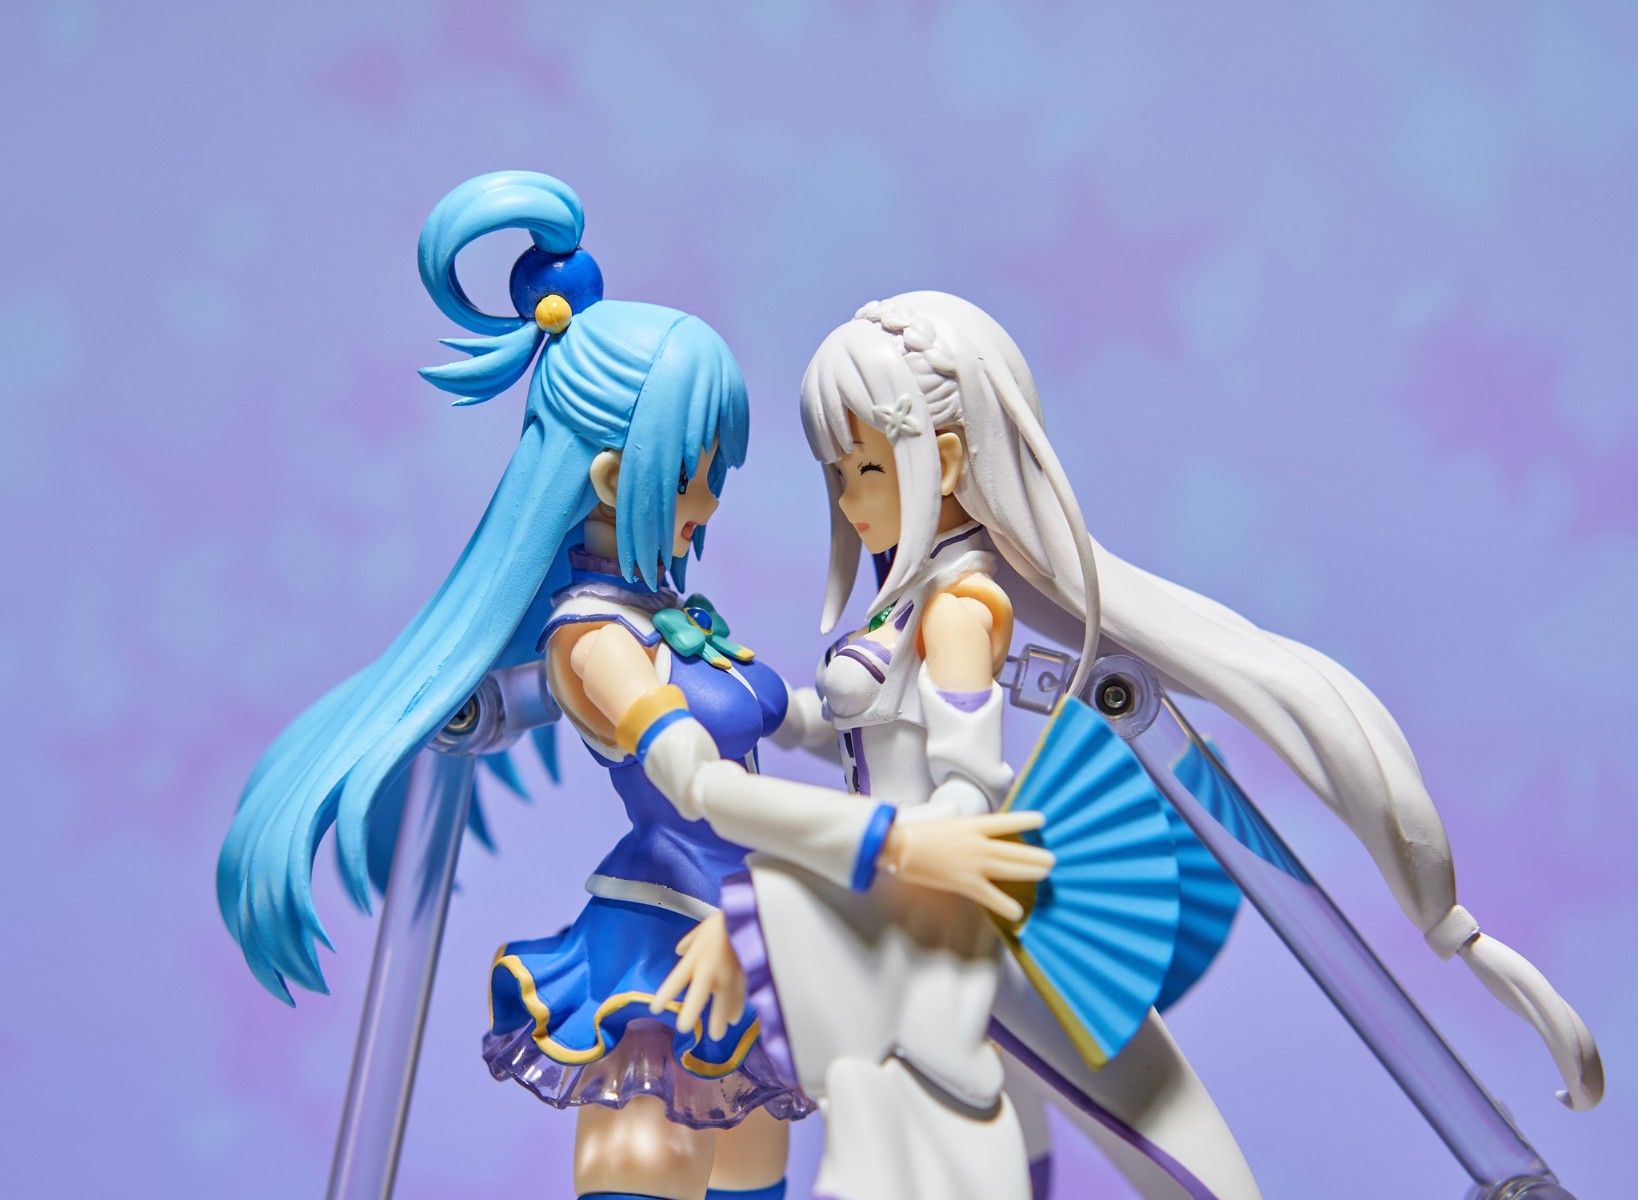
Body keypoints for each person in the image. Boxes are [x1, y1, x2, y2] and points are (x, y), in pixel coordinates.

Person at [217, 176, 1048, 1200]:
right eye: (698, 474)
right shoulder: (596, 641)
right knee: (659, 1166)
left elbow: (786, 716)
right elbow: (703, 788)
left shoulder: (666, 613)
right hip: (660, 940)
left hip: (740, 929)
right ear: (616, 478)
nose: (710, 506)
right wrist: (897, 843)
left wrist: (898, 690)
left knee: (756, 1170)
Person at [777, 291, 1604, 1199]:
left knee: (1155, 1143)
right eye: (838, 472)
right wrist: (761, 715)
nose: (850, 499)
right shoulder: (905, 600)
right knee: (991, 1127)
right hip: (913, 899)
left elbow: (966, 783)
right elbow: (863, 734)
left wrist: (858, 848)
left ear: (940, 460)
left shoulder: (959, 609)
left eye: (868, 467)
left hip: (952, 908)